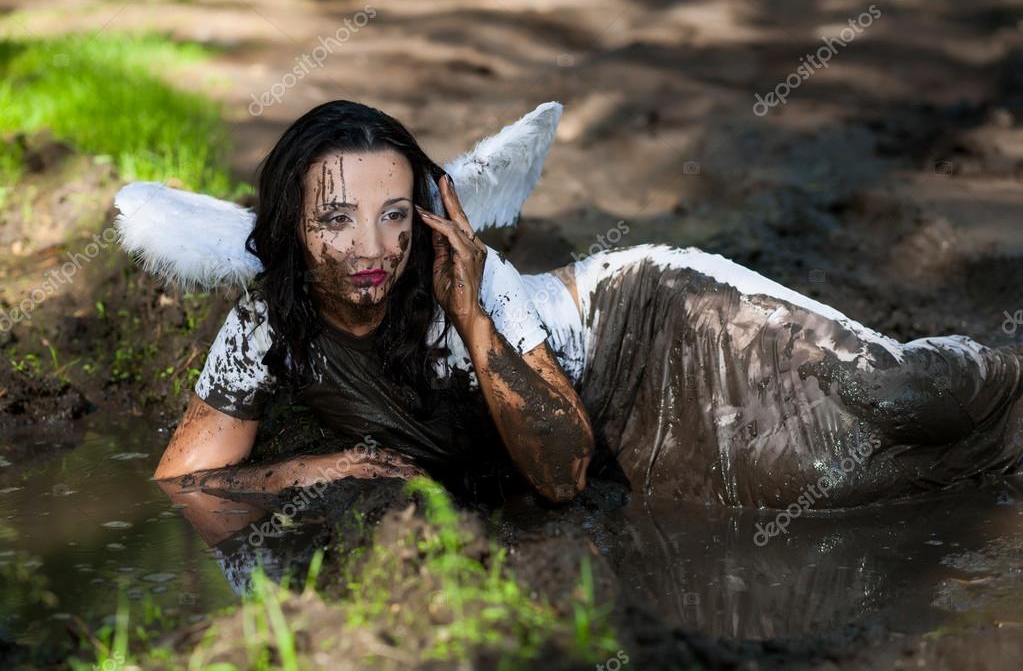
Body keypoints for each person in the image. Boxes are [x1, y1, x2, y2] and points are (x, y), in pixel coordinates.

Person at [154, 100, 1023, 510]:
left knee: (903, 397)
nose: (374, 250)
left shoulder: (466, 278)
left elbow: (558, 474)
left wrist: (473, 320)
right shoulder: (264, 324)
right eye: (335, 221)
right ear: (289, 225)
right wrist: (309, 470)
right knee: (851, 483)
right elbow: (182, 482)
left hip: (662, 321)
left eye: (394, 216)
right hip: (622, 436)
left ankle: (1002, 371)